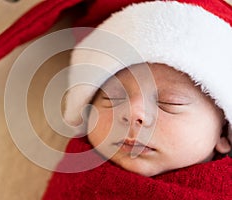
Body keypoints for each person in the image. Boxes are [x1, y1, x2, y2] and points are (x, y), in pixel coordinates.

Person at [42, 0, 232, 199]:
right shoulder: (76, 174)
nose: (134, 112)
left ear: (223, 133)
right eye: (112, 98)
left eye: (169, 103)